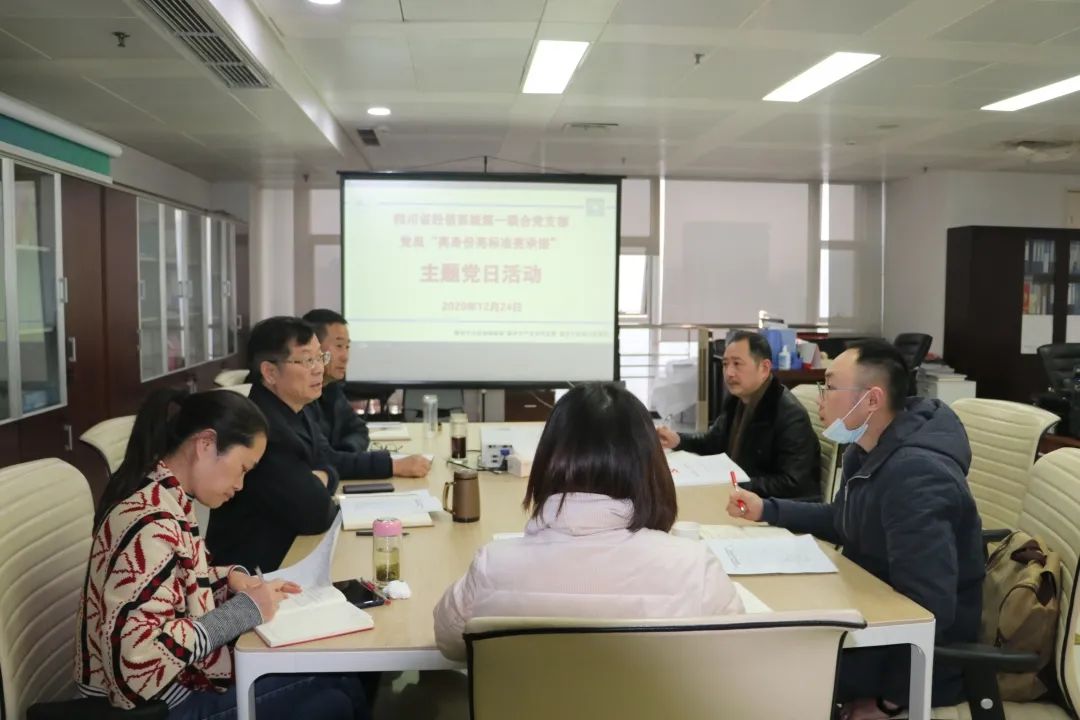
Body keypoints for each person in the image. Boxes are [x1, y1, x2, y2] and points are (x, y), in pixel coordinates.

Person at [726, 339, 983, 720]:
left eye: (830, 387)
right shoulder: (868, 449)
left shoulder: (916, 476)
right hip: (873, 615)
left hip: (916, 659)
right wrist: (768, 509)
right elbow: (843, 519)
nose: (820, 399)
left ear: (872, 400)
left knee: (765, 666)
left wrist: (889, 701)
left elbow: (929, 610)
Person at [75, 388, 369, 719]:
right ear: (205, 444)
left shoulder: (164, 497)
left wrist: (229, 579)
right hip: (159, 705)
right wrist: (243, 611)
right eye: (242, 468)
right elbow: (137, 660)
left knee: (338, 684)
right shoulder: (151, 524)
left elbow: (171, 582)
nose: (241, 484)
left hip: (173, 686)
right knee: (336, 690)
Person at [433, 382, 743, 661]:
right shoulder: (693, 567)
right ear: (651, 466)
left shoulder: (494, 566)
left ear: (547, 461)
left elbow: (448, 642)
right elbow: (737, 658)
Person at [207, 316, 422, 572]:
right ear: (270, 372)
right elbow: (317, 514)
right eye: (308, 360)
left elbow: (328, 460)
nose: (319, 368)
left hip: (290, 554)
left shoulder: (299, 409)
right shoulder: (264, 428)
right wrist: (319, 479)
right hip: (253, 573)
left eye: (321, 358)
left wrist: (322, 476)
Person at [657, 330, 819, 499]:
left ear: (764, 368)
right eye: (725, 364)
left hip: (774, 506)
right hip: (743, 495)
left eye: (737, 364)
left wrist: (734, 484)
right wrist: (678, 440)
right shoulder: (738, 400)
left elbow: (793, 484)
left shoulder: (789, 414)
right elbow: (713, 442)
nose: (729, 373)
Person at [301, 309, 370, 453]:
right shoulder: (299, 396)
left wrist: (346, 452)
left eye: (347, 347)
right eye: (339, 346)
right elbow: (321, 455)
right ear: (313, 347)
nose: (345, 357)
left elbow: (359, 430)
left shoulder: (331, 387)